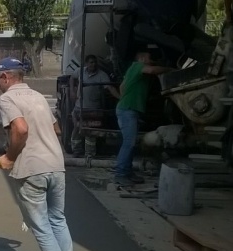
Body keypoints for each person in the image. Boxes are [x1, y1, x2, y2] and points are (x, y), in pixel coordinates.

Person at [0, 57, 77, 251]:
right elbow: (56, 129)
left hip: (32, 169)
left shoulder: (8, 98)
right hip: (55, 165)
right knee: (58, 220)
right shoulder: (38, 96)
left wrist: (9, 156)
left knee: (41, 226)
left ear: (6, 77)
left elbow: (21, 129)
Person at [114, 49, 173, 186]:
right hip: (127, 110)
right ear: (141, 58)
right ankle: (121, 174)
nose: (151, 60)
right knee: (129, 143)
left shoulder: (132, 70)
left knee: (130, 142)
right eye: (148, 58)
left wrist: (127, 98)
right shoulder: (137, 66)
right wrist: (169, 69)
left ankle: (127, 172)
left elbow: (122, 87)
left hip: (127, 109)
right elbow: (152, 71)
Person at [69, 55, 120, 157]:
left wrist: (121, 98)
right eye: (91, 62)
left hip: (93, 108)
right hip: (79, 107)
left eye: (95, 62)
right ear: (87, 63)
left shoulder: (102, 75)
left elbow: (110, 87)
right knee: (76, 128)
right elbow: (72, 78)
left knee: (90, 131)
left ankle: (89, 154)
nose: (93, 64)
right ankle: (76, 150)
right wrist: (72, 91)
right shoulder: (80, 71)